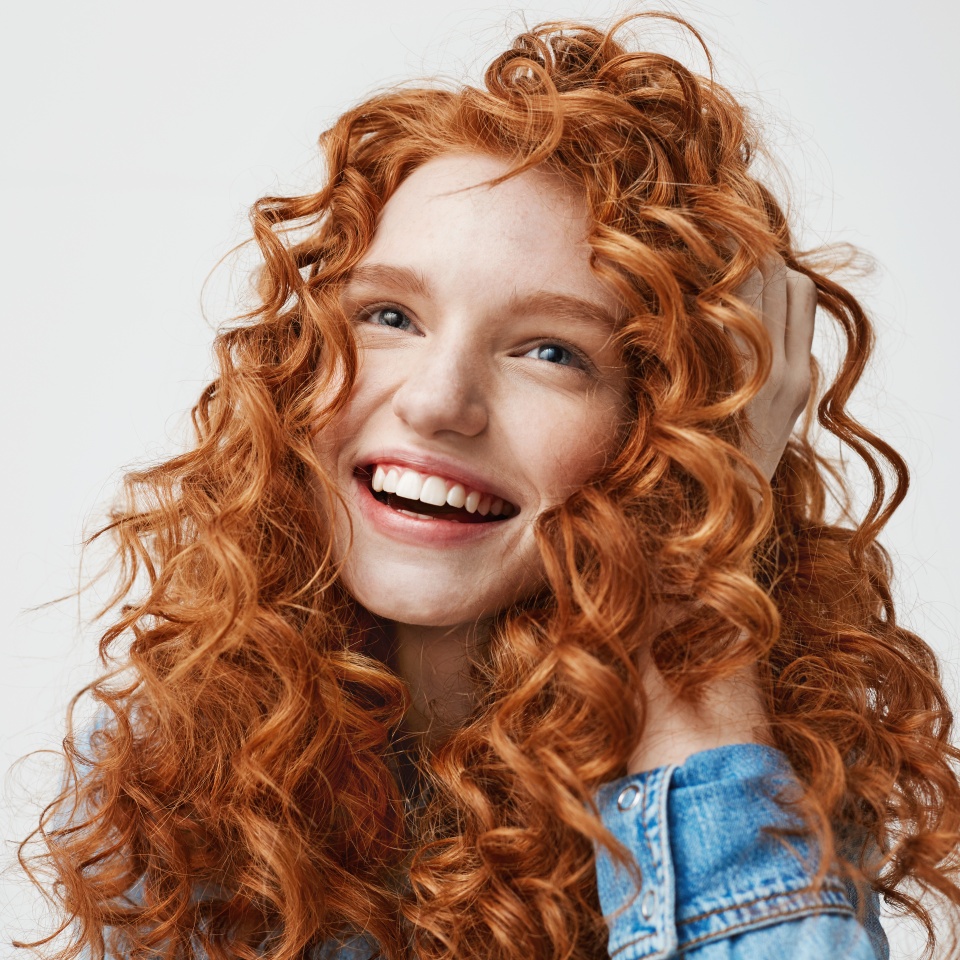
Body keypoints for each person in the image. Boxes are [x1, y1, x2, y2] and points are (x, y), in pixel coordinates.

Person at [16, 13, 960, 960]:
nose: (436, 402)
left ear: (666, 431)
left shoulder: (760, 784)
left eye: (551, 350)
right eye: (390, 315)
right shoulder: (176, 752)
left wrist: (695, 657)